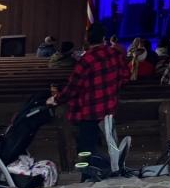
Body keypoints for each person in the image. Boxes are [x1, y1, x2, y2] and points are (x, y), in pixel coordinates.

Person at [47, 24, 131, 162]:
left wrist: (55, 99)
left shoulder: (86, 60)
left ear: (87, 38)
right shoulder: (115, 55)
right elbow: (125, 77)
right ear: (104, 38)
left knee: (87, 148)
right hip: (109, 106)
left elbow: (73, 88)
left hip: (90, 110)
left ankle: (89, 175)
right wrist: (111, 87)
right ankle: (112, 167)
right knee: (110, 144)